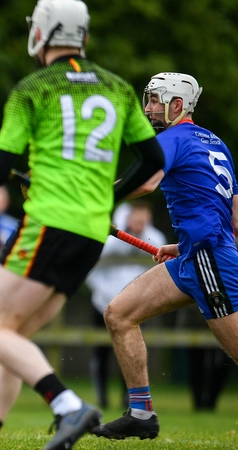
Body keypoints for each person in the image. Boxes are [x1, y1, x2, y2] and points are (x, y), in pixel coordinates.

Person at [0, 1, 165, 449]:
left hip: (48, 226)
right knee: (15, 338)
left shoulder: (33, 88)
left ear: (41, 34)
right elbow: (153, 160)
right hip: (91, 233)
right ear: (83, 37)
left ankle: (67, 405)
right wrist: (108, 195)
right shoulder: (119, 89)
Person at [92, 72, 238, 440]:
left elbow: (145, 181)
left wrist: (91, 199)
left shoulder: (174, 137)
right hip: (196, 256)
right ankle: (141, 414)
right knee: (119, 314)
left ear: (178, 105)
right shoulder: (216, 143)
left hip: (210, 261)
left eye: (155, 100)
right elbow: (233, 215)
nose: (148, 108)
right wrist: (182, 244)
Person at [84, 201, 166, 409]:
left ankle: (129, 396)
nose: (139, 220)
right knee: (102, 351)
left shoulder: (156, 239)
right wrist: (106, 296)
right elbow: (92, 267)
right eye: (135, 215)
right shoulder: (110, 238)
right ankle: (102, 397)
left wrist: (142, 299)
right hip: (103, 303)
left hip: (137, 306)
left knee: (132, 350)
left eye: (143, 215)